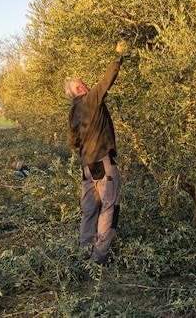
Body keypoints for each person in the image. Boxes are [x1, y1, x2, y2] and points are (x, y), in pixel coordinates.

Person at [65, 39, 127, 265]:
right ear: (80, 89)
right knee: (109, 206)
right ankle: (100, 257)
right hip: (102, 161)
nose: (88, 86)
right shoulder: (90, 99)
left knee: (89, 210)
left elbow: (71, 142)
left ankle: (84, 254)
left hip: (86, 167)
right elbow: (106, 81)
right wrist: (118, 57)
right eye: (84, 84)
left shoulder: (72, 111)